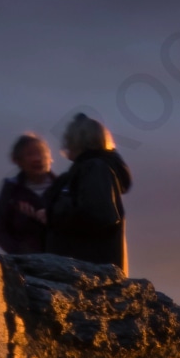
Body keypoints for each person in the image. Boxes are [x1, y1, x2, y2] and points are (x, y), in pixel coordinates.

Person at [44, 114, 130, 272]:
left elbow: (100, 214)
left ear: (77, 140)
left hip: (88, 270)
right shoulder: (87, 170)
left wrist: (54, 213)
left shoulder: (94, 169)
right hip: (88, 269)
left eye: (68, 138)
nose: (65, 143)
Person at [0, 133, 56, 255]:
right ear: (17, 160)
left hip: (63, 264)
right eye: (30, 154)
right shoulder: (11, 190)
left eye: (42, 153)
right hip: (25, 264)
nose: (37, 158)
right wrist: (19, 252)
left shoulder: (63, 187)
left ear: (50, 157)